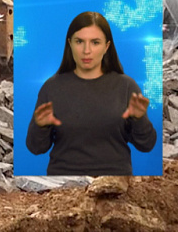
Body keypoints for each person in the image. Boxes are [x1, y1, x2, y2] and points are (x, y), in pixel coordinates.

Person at [26, 11, 157, 176]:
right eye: (79, 41)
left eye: (95, 42)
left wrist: (139, 120)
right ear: (70, 44)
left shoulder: (126, 86)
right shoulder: (52, 88)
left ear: (107, 46)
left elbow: (147, 145)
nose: (86, 50)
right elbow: (36, 148)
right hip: (63, 184)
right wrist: (41, 126)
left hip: (115, 184)